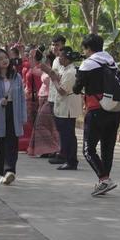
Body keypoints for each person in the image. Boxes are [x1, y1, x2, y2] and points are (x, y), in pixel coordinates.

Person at [73, 34, 120, 196]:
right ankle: (105, 180)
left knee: (88, 149)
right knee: (108, 148)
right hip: (114, 110)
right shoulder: (112, 62)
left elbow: (76, 88)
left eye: (84, 49)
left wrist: (78, 75)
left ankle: (104, 179)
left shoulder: (87, 64)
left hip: (96, 110)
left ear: (88, 48)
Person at [0, 49, 26, 185]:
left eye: (6, 57)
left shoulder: (17, 77)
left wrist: (23, 117)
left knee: (12, 143)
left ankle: (10, 171)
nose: (4, 60)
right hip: (1, 112)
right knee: (1, 143)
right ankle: (2, 171)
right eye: (1, 58)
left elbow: (22, 98)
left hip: (14, 111)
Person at [50, 47, 82, 170]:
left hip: (68, 108)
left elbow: (63, 91)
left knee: (68, 135)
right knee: (66, 134)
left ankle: (71, 160)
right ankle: (69, 159)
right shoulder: (66, 70)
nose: (59, 58)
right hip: (64, 107)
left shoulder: (70, 72)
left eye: (62, 56)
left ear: (68, 59)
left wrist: (54, 80)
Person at [27, 51, 60, 157]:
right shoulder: (44, 69)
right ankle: (46, 150)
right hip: (42, 99)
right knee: (45, 125)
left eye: (46, 57)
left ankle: (53, 148)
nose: (44, 59)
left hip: (49, 99)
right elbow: (33, 70)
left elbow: (57, 81)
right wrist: (31, 57)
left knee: (42, 124)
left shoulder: (54, 69)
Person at [40, 35, 66, 165]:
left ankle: (63, 152)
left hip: (59, 97)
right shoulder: (54, 59)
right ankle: (57, 150)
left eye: (57, 45)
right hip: (51, 96)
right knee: (54, 126)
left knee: (60, 127)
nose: (55, 47)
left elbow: (60, 77)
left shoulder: (64, 60)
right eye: (53, 45)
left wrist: (49, 71)